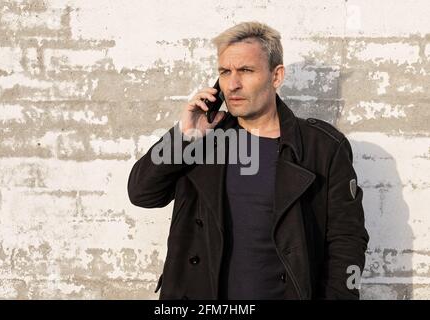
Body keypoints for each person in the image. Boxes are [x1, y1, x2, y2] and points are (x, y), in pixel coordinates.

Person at [128, 21, 369, 300]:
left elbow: (346, 241)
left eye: (246, 70)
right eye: (224, 72)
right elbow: (141, 193)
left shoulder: (323, 147)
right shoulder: (203, 139)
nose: (233, 84)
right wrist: (183, 135)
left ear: (276, 76)